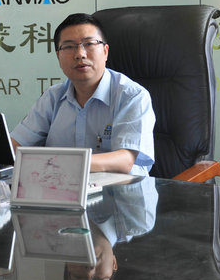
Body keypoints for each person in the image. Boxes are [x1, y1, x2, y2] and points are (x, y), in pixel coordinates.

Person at [11, 13, 155, 176]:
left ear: (105, 51)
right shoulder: (52, 97)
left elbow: (125, 160)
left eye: (89, 44)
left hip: (120, 189)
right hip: (59, 187)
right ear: (58, 56)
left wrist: (59, 163)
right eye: (69, 47)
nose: (80, 54)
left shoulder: (132, 96)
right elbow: (16, 145)